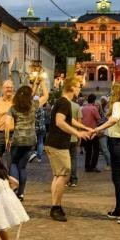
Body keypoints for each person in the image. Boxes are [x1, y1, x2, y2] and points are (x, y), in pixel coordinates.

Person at [44, 77, 93, 222]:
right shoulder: (64, 102)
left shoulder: (63, 103)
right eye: (78, 86)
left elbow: (67, 120)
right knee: (65, 174)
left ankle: (56, 206)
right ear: (71, 87)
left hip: (55, 143)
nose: (79, 89)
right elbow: (60, 122)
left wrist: (83, 127)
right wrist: (78, 133)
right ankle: (56, 207)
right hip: (58, 144)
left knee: (59, 175)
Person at [94, 82, 120, 224]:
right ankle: (118, 209)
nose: (111, 93)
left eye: (113, 91)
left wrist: (98, 128)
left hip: (119, 144)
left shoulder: (118, 104)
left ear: (117, 92)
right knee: (116, 178)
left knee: (118, 180)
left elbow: (114, 119)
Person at [6, 80, 48, 201]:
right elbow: (46, 96)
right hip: (30, 140)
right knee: (22, 167)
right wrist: (42, 83)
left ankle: (14, 187)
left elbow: (7, 126)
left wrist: (8, 139)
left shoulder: (13, 108)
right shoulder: (33, 105)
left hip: (18, 139)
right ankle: (21, 194)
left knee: (13, 163)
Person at [81, 93, 101, 172]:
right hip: (93, 131)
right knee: (96, 149)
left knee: (88, 150)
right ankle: (93, 165)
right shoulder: (93, 108)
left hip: (85, 131)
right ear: (94, 100)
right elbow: (98, 118)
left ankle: (87, 166)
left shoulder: (83, 108)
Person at [68, 96, 84, 186]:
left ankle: (66, 179)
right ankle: (73, 179)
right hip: (73, 136)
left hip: (63, 137)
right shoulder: (77, 107)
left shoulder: (61, 105)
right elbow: (79, 123)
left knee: (65, 159)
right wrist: (79, 135)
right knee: (73, 158)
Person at [98, 96, 111, 170]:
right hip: (105, 131)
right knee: (106, 148)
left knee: (105, 148)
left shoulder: (107, 110)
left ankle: (110, 164)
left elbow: (108, 121)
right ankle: (109, 163)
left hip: (104, 131)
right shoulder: (102, 110)